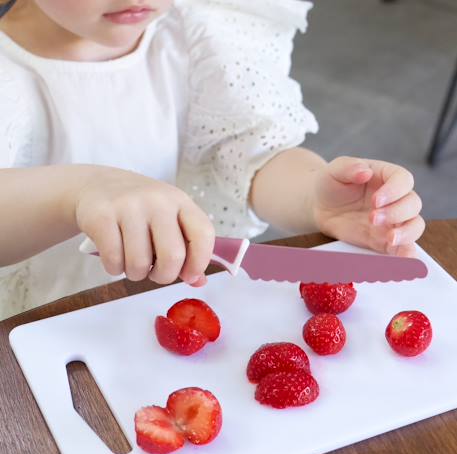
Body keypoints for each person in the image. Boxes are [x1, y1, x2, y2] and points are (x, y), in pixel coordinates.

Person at [0, 0, 424, 320]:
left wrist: (314, 197)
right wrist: (80, 192)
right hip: (39, 327)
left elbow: (246, 156)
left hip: (179, 312)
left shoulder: (197, 35)